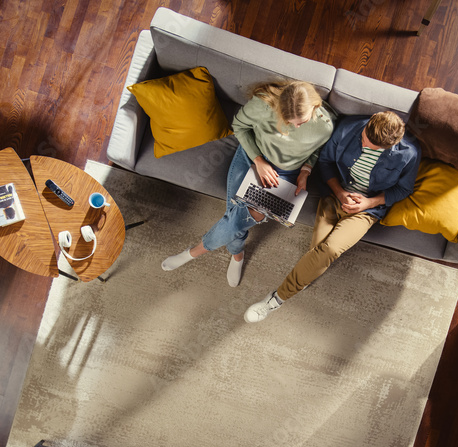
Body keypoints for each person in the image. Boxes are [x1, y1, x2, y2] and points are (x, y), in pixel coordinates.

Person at [243, 111, 420, 323]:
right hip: (333, 197)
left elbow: (403, 189)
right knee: (316, 255)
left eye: (372, 148)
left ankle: (275, 300)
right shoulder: (348, 127)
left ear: (390, 146)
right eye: (364, 139)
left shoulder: (410, 153)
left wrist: (370, 202)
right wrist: (339, 192)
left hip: (366, 211)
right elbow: (325, 162)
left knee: (330, 250)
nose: (364, 146)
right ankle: (304, 277)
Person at [161, 80, 335, 286]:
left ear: (315, 107)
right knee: (236, 215)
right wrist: (259, 161)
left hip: (286, 173)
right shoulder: (262, 105)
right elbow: (239, 126)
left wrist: (306, 171)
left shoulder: (326, 125)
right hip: (252, 158)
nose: (295, 126)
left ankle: (195, 253)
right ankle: (236, 255)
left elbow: (317, 149)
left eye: (301, 122)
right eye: (288, 121)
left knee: (241, 217)